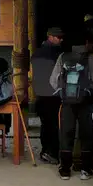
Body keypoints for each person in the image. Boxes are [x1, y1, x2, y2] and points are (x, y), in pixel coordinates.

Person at [50, 29, 93, 181]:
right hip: (86, 102)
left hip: (67, 102)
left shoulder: (63, 56)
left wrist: (65, 92)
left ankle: (65, 169)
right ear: (86, 42)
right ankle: (85, 168)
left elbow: (53, 81)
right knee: (86, 134)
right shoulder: (92, 57)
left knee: (66, 133)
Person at [31, 27, 65, 164]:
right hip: (52, 93)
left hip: (40, 93)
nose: (61, 40)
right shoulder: (57, 54)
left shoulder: (36, 53)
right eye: (58, 37)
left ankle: (46, 151)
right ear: (50, 37)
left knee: (46, 125)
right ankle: (52, 153)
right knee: (54, 125)